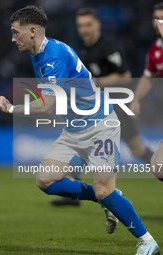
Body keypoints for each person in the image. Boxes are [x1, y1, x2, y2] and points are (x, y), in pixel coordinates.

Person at [0, 5, 159, 254]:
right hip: (74, 129)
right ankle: (108, 200)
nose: (12, 38)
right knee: (46, 180)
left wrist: (11, 109)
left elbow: (48, 106)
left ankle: (147, 241)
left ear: (31, 31)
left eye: (15, 32)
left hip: (101, 125)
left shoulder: (53, 56)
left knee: (105, 189)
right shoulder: (36, 51)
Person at [51, 8, 154, 206]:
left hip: (116, 109)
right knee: (82, 147)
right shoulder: (80, 49)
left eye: (88, 24)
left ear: (97, 25)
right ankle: (72, 194)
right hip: (95, 111)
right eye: (80, 26)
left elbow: (124, 76)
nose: (84, 29)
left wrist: (95, 82)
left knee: (138, 150)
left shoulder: (108, 47)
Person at [130, 2, 163, 182]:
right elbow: (148, 77)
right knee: (159, 166)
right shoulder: (155, 50)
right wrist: (136, 99)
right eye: (156, 18)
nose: (159, 22)